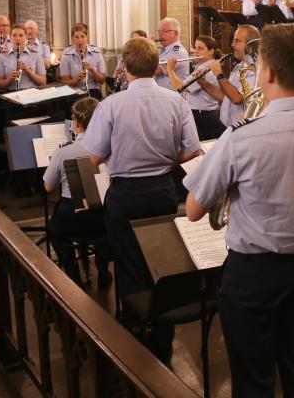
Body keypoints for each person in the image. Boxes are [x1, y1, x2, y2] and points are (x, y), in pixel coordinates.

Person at [184, 23, 294, 398]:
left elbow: (195, 208)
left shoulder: (241, 135)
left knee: (253, 377)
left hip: (253, 273)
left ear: (270, 73)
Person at [82, 36, 201, 361]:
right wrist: (165, 158)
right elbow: (193, 150)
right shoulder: (175, 101)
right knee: (162, 258)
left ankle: (135, 333)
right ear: (155, 65)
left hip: (125, 193)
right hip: (163, 189)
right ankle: (163, 333)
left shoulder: (111, 104)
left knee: (130, 261)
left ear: (126, 68)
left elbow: (93, 156)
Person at [44, 97, 110, 287]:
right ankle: (103, 269)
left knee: (55, 231)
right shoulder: (111, 146)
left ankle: (73, 275)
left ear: (76, 123)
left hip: (73, 217)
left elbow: (48, 187)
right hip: (103, 216)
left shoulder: (63, 152)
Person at [166, 35, 226, 140]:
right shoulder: (202, 66)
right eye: (195, 47)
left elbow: (180, 87)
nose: (196, 51)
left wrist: (170, 70)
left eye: (200, 48)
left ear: (211, 51)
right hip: (200, 114)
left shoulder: (206, 68)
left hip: (203, 117)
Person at [200, 24, 261, 127]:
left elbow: (237, 99)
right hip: (228, 127)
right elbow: (225, 97)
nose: (232, 45)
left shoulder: (255, 69)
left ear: (250, 44)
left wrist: (219, 74)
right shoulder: (239, 66)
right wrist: (204, 84)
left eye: (237, 41)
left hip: (242, 127)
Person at [60, 23, 106, 99]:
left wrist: (93, 71)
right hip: (74, 92)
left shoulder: (96, 53)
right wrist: (76, 80)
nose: (80, 40)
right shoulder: (66, 55)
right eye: (76, 37)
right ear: (72, 38)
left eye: (82, 37)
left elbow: (102, 81)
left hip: (92, 90)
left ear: (86, 37)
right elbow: (65, 81)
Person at [0, 24, 47, 90]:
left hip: (31, 94)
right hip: (10, 95)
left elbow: (43, 82)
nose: (18, 38)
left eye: (21, 35)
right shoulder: (1, 56)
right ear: (10, 37)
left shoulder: (36, 55)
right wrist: (9, 79)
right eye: (14, 35)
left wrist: (28, 70)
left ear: (26, 37)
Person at [154, 17, 189, 90]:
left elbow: (155, 70)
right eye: (159, 31)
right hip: (164, 95)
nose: (160, 34)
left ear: (175, 33)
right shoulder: (163, 50)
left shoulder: (177, 52)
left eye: (164, 31)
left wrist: (146, 47)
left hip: (173, 96)